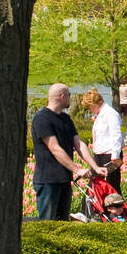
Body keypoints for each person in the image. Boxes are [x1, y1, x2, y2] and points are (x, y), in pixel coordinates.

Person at [30, 83, 105, 221]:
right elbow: (55, 149)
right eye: (69, 95)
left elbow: (79, 144)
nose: (70, 98)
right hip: (48, 181)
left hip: (64, 179)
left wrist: (95, 167)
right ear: (62, 96)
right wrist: (77, 169)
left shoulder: (65, 118)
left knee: (63, 223)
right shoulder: (41, 119)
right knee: (48, 224)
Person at [81, 88, 124, 193]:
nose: (89, 110)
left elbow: (116, 134)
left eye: (89, 107)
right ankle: (97, 208)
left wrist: (115, 155)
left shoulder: (110, 113)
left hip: (110, 155)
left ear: (93, 105)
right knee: (95, 183)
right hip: (100, 154)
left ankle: (117, 208)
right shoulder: (99, 114)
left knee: (112, 186)